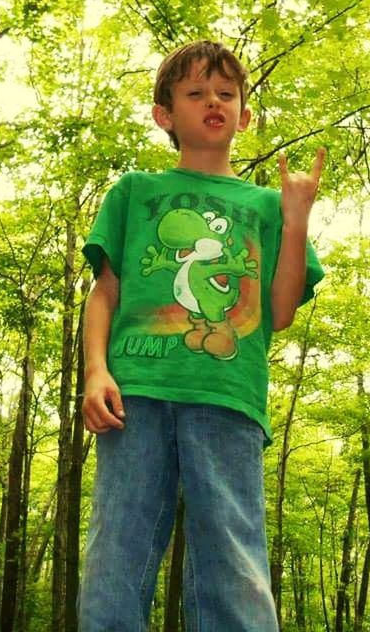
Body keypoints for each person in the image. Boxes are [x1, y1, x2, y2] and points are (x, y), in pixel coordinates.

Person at [78, 39, 324, 631]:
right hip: (133, 391)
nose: (212, 101)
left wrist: (295, 221)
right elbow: (104, 290)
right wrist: (95, 371)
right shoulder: (135, 191)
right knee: (120, 545)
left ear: (244, 115)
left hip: (229, 395)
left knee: (232, 551)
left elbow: (280, 310)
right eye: (194, 93)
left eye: (225, 93)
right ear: (166, 114)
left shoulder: (267, 203)